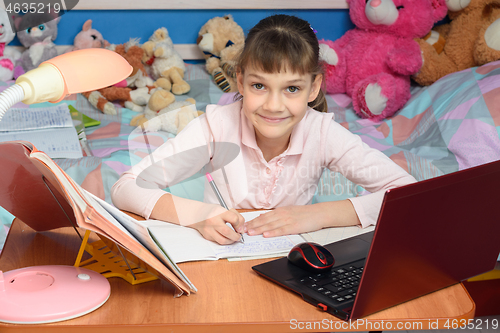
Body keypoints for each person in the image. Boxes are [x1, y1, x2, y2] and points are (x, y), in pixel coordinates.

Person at [111, 14, 416, 245]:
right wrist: (201, 217)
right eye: (259, 86)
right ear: (240, 80)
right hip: (221, 256)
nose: (273, 105)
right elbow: (127, 187)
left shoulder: (322, 133)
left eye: (292, 89)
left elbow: (407, 194)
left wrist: (316, 215)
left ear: (314, 88)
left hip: (293, 261)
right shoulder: (216, 126)